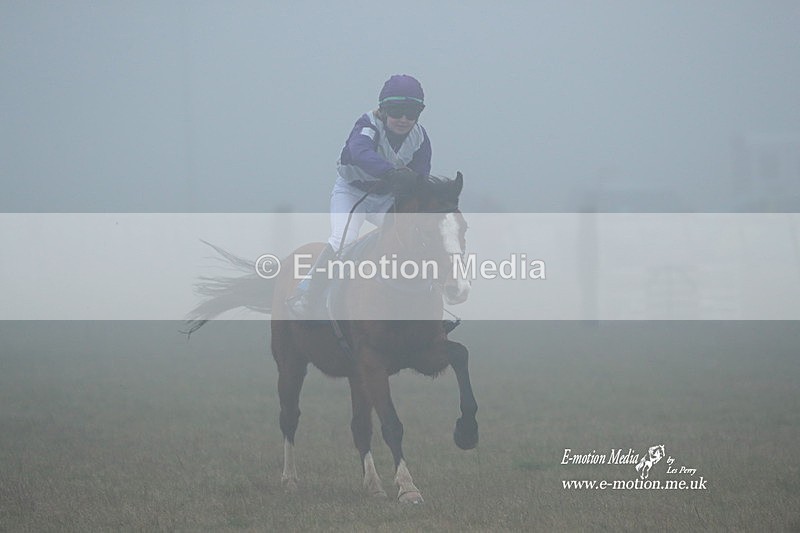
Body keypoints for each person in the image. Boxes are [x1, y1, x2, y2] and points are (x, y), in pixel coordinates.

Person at [289, 74, 431, 319]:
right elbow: (359, 151)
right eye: (397, 111)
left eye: (412, 113)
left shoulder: (420, 137)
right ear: (384, 110)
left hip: (385, 198)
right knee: (342, 240)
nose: (404, 119)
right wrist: (392, 173)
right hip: (352, 192)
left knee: (414, 239)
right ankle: (307, 292)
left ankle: (425, 301)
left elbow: (421, 176)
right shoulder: (367, 125)